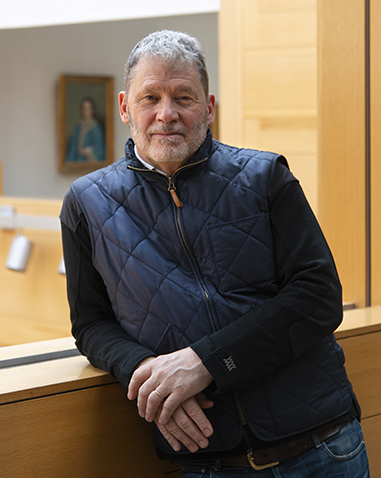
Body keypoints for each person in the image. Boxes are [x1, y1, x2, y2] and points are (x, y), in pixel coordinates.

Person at [60, 30, 370, 477]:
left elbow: (319, 295)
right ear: (126, 106)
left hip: (322, 448)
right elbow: (90, 324)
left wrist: (206, 362)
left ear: (208, 107)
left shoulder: (266, 177)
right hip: (211, 462)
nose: (166, 114)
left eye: (183, 97)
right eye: (151, 97)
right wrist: (145, 371)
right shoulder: (85, 203)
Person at [66, 97, 105, 162]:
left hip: (89, 161)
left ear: (92, 111)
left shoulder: (95, 127)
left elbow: (99, 149)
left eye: (88, 109)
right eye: (84, 109)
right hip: (78, 161)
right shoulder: (79, 126)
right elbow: (73, 147)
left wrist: (86, 151)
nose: (85, 111)